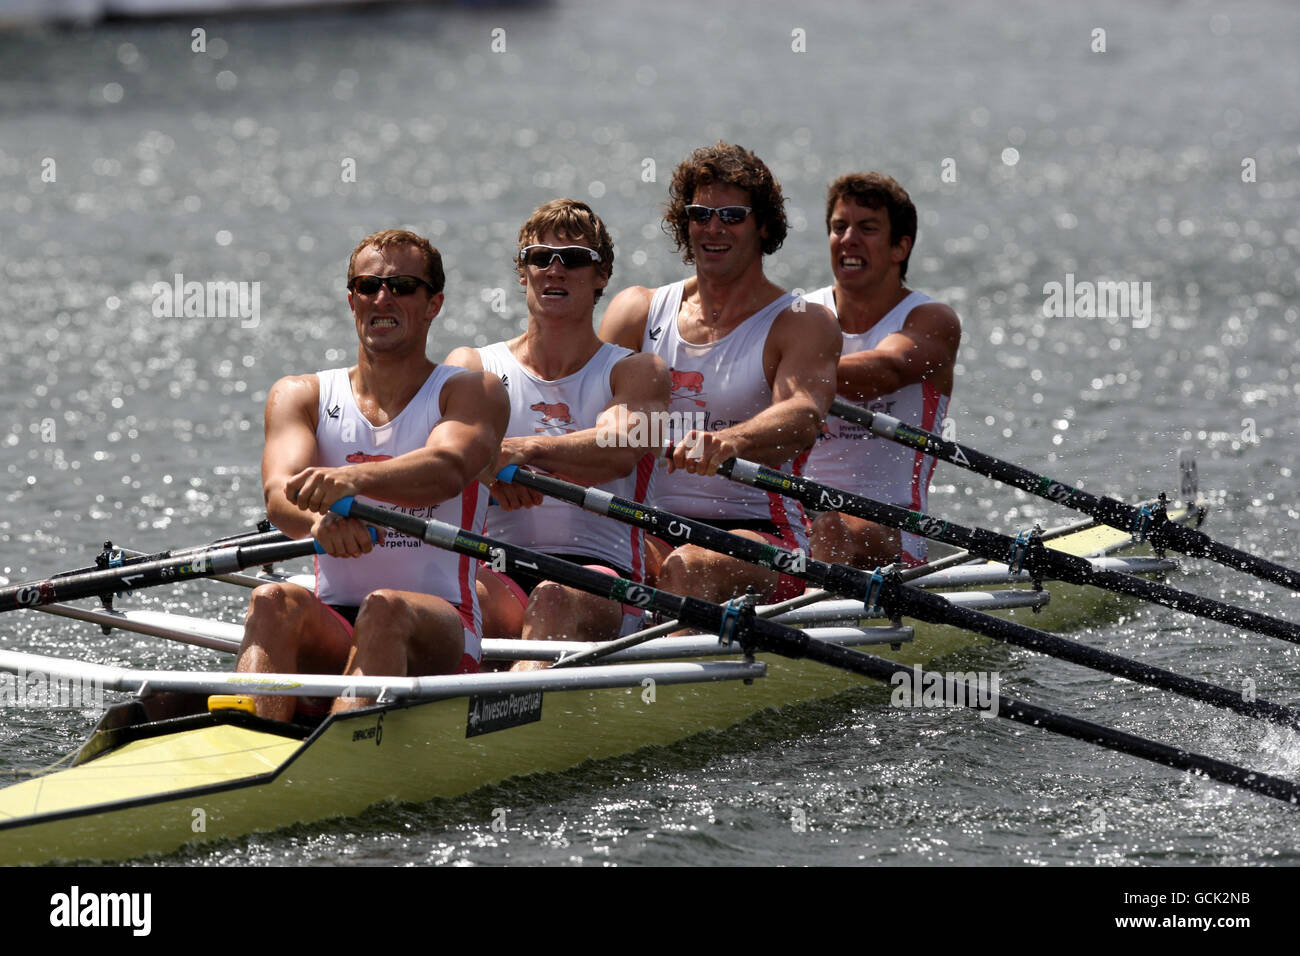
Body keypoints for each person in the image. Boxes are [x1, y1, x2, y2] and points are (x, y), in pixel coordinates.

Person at [236, 229, 508, 718]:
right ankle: (244, 736)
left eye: (402, 286)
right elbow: (280, 494)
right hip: (337, 619)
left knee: (384, 608)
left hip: (442, 626)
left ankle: (343, 742)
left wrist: (353, 480)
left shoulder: (473, 391)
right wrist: (318, 524)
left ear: (434, 304)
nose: (382, 298)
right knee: (271, 598)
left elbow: (447, 470)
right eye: (368, 286)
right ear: (352, 300)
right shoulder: (301, 395)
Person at [599, 142, 840, 605]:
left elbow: (803, 415)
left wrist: (730, 441)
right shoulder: (636, 311)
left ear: (763, 226)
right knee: (579, 576)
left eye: (732, 216)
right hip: (651, 526)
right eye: (700, 214)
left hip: (763, 534)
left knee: (688, 566)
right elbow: (586, 415)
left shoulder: (802, 321)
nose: (713, 228)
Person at [447, 200, 670, 666]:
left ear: (601, 275)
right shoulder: (472, 366)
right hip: (497, 569)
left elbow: (618, 449)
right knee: (430, 601)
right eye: (539, 257)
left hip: (604, 577)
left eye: (573, 258)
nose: (555, 269)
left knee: (550, 598)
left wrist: (522, 451)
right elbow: (446, 462)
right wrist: (486, 470)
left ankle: (509, 700)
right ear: (522, 271)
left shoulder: (637, 371)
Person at [801, 172, 961, 568]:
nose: (849, 239)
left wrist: (787, 366)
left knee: (832, 528)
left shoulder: (931, 320)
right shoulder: (799, 316)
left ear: (900, 248)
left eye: (867, 228)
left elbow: (884, 372)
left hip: (893, 527)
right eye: (839, 227)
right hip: (798, 516)